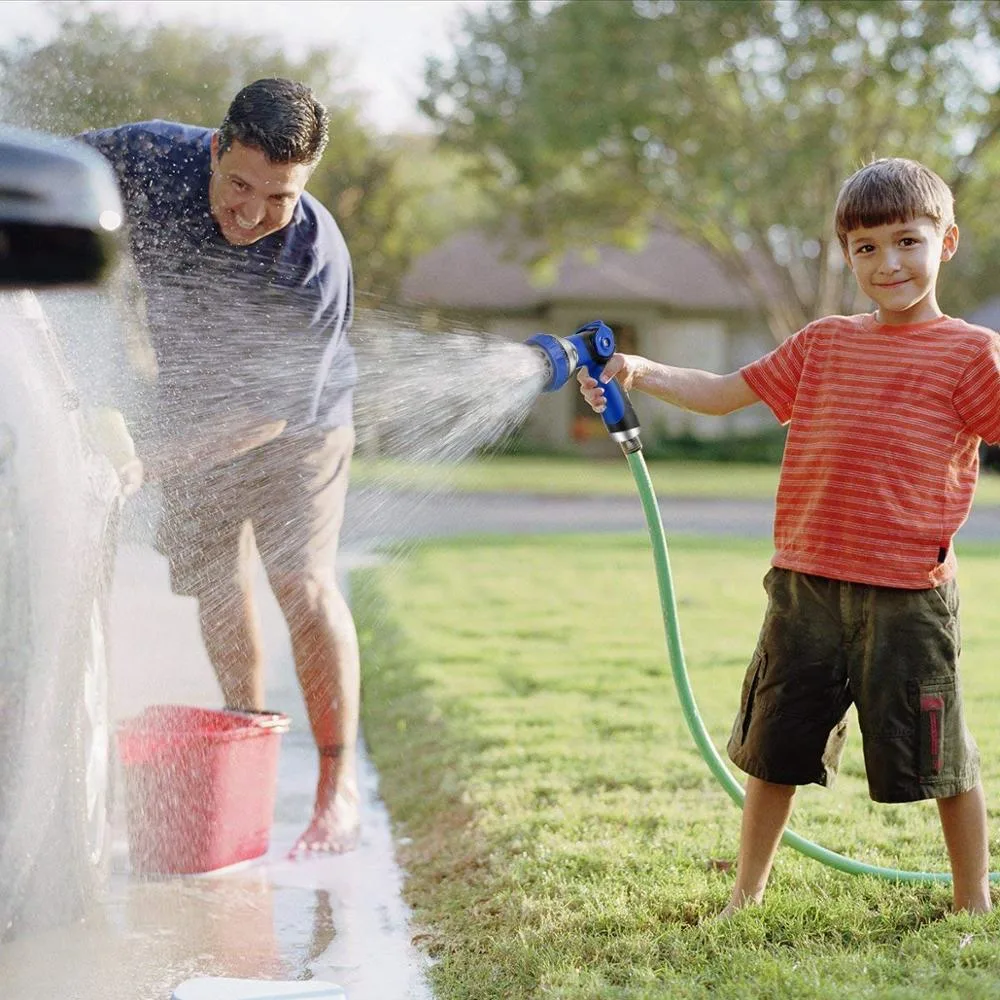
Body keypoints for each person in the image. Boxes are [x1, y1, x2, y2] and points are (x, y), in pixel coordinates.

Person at [578, 157, 1000, 915]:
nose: (888, 262)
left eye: (907, 240)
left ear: (947, 242)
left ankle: (972, 899)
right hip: (804, 586)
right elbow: (720, 393)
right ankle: (747, 892)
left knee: (942, 760)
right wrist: (637, 371)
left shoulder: (970, 353)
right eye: (865, 247)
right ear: (846, 256)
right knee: (773, 750)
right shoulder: (823, 343)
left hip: (909, 598)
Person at [79, 78, 361, 855]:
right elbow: (40, 189)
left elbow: (268, 414)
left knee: (300, 581)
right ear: (213, 148)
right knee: (214, 579)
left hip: (300, 421)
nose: (251, 213)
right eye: (238, 184)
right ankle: (245, 739)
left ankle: (338, 791)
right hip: (191, 403)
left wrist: (147, 465)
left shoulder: (313, 257)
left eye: (279, 197)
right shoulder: (143, 158)